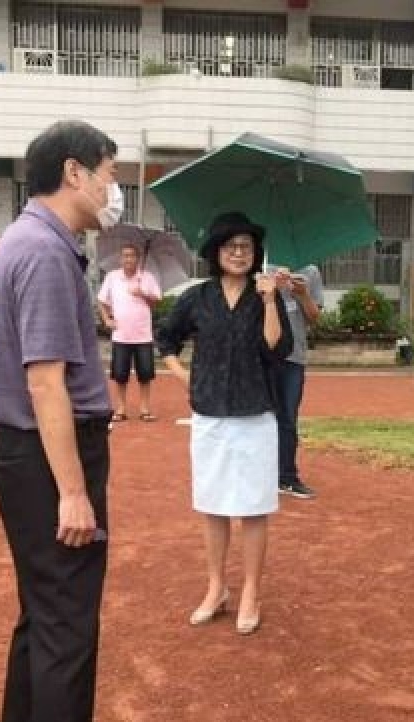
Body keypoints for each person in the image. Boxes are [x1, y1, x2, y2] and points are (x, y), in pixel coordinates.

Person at [0, 120, 146, 722]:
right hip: (52, 459)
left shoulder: (25, 242)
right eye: (110, 173)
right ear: (75, 172)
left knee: (40, 620)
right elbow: (45, 380)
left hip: (25, 456)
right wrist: (73, 493)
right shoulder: (44, 252)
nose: (114, 188)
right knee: (65, 631)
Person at [156, 212, 292, 636]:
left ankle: (251, 589)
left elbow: (277, 349)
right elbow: (166, 339)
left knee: (252, 508)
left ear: (256, 254)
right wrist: (184, 376)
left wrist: (271, 300)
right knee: (213, 505)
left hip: (255, 416)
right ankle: (217, 587)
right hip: (210, 415)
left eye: (246, 247)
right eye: (231, 246)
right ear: (216, 252)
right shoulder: (197, 298)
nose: (239, 253)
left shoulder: (264, 296)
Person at [272, 264, 322, 499]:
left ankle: (287, 477)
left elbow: (314, 317)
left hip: (294, 357)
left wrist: (302, 294)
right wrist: (270, 290)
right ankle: (256, 474)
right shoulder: (260, 264)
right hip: (262, 356)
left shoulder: (309, 271)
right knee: (257, 418)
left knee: (288, 419)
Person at [97, 243, 161, 424]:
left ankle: (145, 408)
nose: (128, 259)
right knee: (120, 374)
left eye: (132, 256)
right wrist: (107, 319)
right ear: (121, 258)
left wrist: (142, 293)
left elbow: (156, 301)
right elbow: (102, 300)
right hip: (121, 335)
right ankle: (121, 408)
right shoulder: (112, 277)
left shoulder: (147, 277)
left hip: (143, 335)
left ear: (138, 258)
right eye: (125, 256)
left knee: (146, 373)